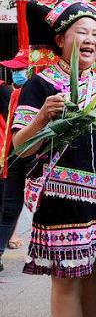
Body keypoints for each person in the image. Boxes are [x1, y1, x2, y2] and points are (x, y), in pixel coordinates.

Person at [12, 0, 96, 317]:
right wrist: (43, 116)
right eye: (82, 32)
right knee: (66, 277)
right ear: (61, 40)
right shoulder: (41, 86)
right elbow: (21, 146)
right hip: (62, 197)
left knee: (94, 272)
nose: (91, 39)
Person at [0, 49, 29, 271]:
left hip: (19, 154)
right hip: (11, 154)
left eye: (21, 69)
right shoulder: (12, 92)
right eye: (15, 70)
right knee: (9, 205)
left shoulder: (8, 91)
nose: (17, 74)